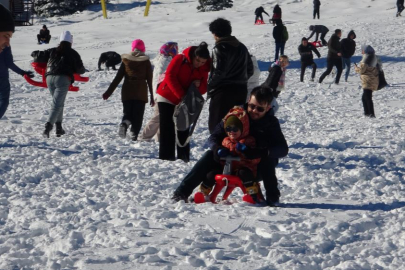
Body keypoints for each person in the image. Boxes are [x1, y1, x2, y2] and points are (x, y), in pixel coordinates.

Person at [172, 86, 289, 206]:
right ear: (248, 100)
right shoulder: (236, 115)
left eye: (259, 109)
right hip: (229, 159)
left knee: (268, 159)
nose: (254, 111)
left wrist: (261, 152)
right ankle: (182, 192)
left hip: (254, 166)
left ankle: (273, 197)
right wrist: (217, 148)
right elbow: (214, 136)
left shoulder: (270, 122)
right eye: (252, 106)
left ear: (268, 108)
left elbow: (283, 149)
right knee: (208, 155)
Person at [156, 42, 210, 162]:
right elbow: (170, 76)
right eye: (198, 60)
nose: (199, 64)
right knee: (167, 127)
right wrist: (181, 95)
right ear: (193, 56)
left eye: (202, 62)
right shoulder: (180, 59)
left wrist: (199, 85)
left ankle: (183, 158)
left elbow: (204, 88)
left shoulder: (204, 68)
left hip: (185, 100)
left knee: (184, 126)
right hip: (167, 96)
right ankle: (166, 157)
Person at [199, 106, 261, 201]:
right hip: (227, 169)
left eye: (235, 129)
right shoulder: (226, 141)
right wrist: (220, 152)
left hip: (243, 168)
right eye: (228, 128)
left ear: (243, 128)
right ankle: (203, 193)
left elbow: (256, 158)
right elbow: (218, 153)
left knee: (245, 173)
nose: (231, 131)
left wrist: (247, 151)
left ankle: (252, 194)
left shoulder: (249, 141)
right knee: (212, 174)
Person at [31, 31, 85, 137]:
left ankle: (59, 128)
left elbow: (38, 55)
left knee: (58, 103)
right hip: (63, 79)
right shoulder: (73, 53)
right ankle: (48, 127)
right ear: (71, 41)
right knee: (56, 105)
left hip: (49, 78)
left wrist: (34, 53)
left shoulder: (52, 51)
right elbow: (80, 70)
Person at [207, 18, 254, 134]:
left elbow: (218, 72)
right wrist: (240, 79)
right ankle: (232, 149)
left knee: (217, 126)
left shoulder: (219, 48)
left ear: (215, 33)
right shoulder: (241, 46)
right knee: (235, 125)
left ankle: (218, 150)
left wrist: (209, 86)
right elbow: (250, 69)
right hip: (240, 91)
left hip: (223, 92)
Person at [102, 39, 154, 141]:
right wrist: (152, 96)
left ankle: (125, 123)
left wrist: (108, 92)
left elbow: (118, 78)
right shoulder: (145, 61)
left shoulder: (126, 60)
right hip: (140, 92)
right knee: (138, 115)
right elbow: (150, 79)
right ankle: (134, 134)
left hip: (127, 91)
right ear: (143, 49)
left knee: (128, 113)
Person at [139, 41, 178, 142]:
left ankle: (160, 137)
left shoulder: (162, 60)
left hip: (161, 93)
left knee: (164, 116)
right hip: (162, 93)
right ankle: (145, 136)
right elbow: (163, 78)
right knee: (159, 116)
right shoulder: (165, 61)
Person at [0, 5, 34, 120]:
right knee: (3, 100)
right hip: (2, 79)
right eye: (6, 35)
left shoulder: (4, 46)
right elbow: (9, 63)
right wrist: (22, 72)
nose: (8, 42)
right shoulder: (5, 48)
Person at [355, 45, 381, 118]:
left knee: (367, 97)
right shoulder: (375, 57)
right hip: (373, 79)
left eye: (363, 50)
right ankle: (367, 113)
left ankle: (371, 114)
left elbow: (362, 70)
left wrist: (356, 68)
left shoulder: (365, 58)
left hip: (367, 80)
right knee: (364, 97)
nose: (362, 51)